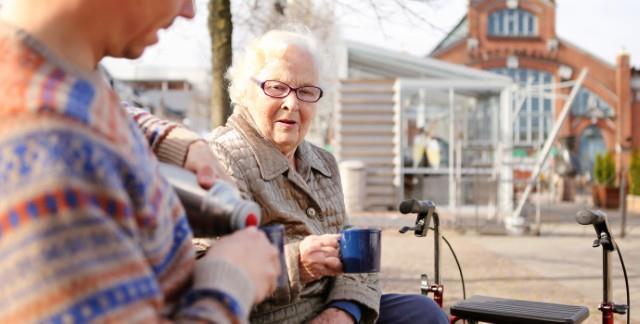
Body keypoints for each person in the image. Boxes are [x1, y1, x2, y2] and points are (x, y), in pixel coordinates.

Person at [0, 0, 280, 322]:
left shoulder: (60, 70)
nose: (189, 11)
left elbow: (101, 106)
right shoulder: (50, 153)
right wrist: (230, 282)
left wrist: (174, 142)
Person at [201, 28, 449, 323]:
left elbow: (358, 259)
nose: (291, 104)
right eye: (276, 87)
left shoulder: (323, 162)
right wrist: (297, 264)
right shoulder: (220, 158)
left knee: (424, 313)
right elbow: (204, 269)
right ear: (246, 91)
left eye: (305, 91)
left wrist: (345, 310)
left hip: (333, 309)